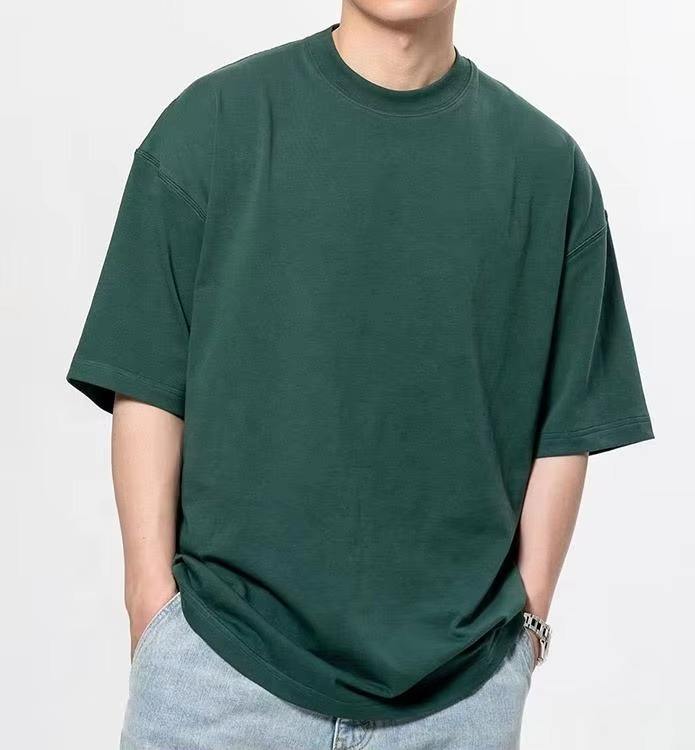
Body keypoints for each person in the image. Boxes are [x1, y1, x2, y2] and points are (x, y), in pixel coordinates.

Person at [67, 1, 654, 748]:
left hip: (458, 698)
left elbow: (566, 423)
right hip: (220, 674)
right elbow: (147, 382)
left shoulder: (547, 169)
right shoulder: (213, 126)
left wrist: (525, 635)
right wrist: (150, 607)